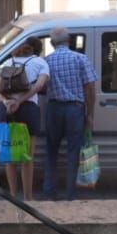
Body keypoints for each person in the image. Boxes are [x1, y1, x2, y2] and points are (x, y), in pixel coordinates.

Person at [41, 25, 99, 199]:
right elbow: (90, 87)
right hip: (75, 109)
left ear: (51, 43)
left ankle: (50, 190)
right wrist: (90, 114)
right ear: (70, 41)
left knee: (51, 150)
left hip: (54, 109)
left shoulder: (47, 61)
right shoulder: (81, 59)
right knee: (73, 151)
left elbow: (42, 86)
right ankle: (70, 193)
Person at [0, 37, 49, 201]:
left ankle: (12, 196)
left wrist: (6, 101)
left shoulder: (8, 62)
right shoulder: (40, 62)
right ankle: (28, 198)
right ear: (35, 50)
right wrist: (20, 101)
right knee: (27, 158)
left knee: (9, 156)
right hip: (28, 109)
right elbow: (39, 86)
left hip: (6, 109)